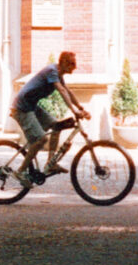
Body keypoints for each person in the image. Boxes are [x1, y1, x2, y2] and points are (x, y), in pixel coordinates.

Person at [10, 51, 90, 185]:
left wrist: (81, 108)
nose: (75, 67)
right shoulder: (52, 71)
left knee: (57, 126)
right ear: (63, 62)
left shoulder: (58, 73)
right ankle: (21, 171)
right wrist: (74, 111)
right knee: (41, 139)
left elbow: (68, 91)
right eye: (72, 64)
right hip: (22, 108)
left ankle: (50, 162)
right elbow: (62, 91)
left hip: (32, 106)